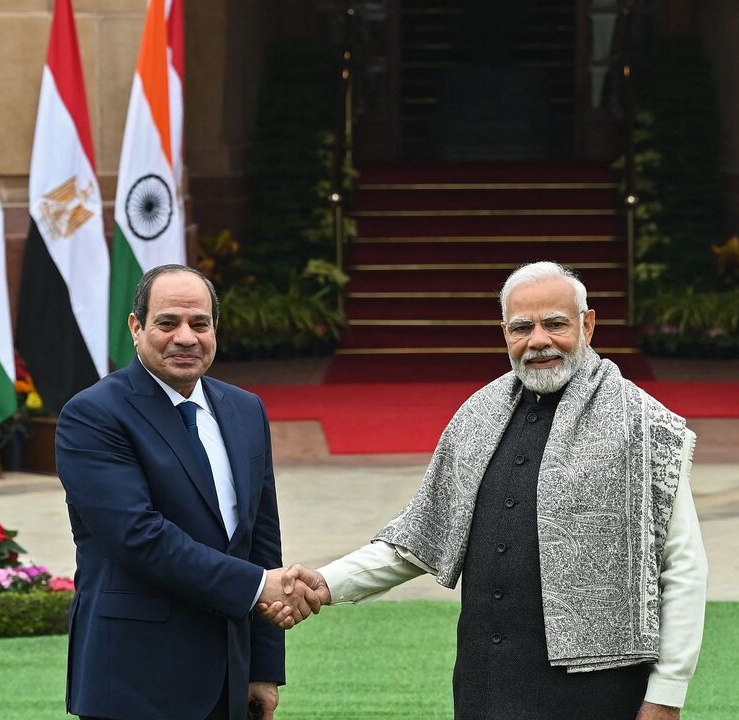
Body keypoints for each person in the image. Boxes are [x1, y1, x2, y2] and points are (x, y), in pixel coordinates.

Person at [263, 261, 708, 720]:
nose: (539, 341)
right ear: (504, 333)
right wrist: (326, 583)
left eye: (555, 324)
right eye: (522, 328)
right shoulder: (479, 415)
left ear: (588, 324)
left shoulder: (642, 424)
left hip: (599, 693)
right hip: (485, 685)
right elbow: (420, 538)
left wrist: (667, 693)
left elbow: (684, 567)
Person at [56, 264, 320, 720]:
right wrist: (259, 587)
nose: (185, 337)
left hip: (229, 681)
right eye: (167, 323)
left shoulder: (245, 409)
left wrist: (263, 668)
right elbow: (139, 537)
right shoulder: (93, 415)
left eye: (200, 323)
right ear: (136, 328)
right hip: (134, 684)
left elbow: (261, 541)